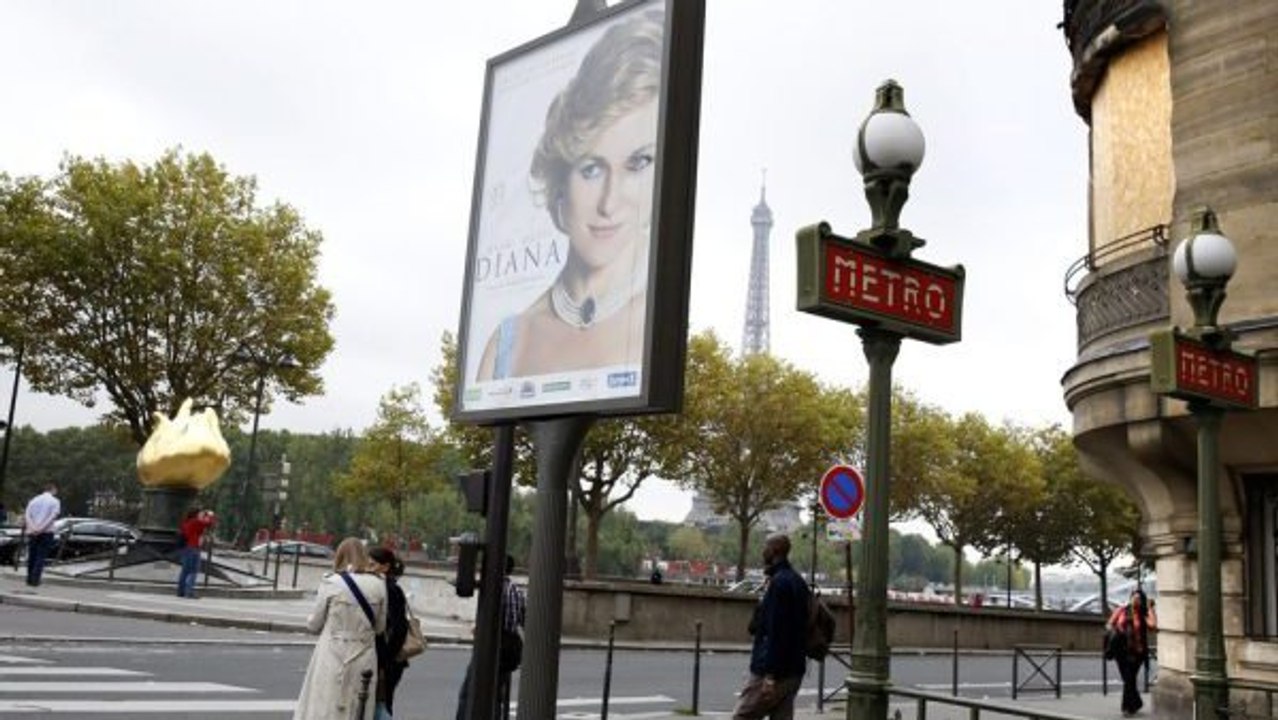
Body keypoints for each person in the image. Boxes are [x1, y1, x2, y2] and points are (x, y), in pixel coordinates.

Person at [475, 9, 663, 382]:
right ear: (560, 183)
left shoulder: (653, 330)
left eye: (638, 163)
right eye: (591, 168)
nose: (610, 203)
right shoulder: (507, 343)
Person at [294, 537, 387, 720]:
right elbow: (380, 628)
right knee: (358, 707)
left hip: (332, 652)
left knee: (324, 705)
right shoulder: (378, 584)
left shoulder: (331, 582)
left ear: (340, 556)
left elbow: (314, 625)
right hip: (363, 654)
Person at [733, 534, 809, 720]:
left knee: (743, 716)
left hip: (775, 672)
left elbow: (776, 632)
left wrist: (769, 675)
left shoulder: (779, 583)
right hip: (794, 669)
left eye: (765, 547)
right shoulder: (798, 581)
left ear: (774, 551)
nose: (762, 551)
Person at [455, 554, 526, 720]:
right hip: (510, 650)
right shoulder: (516, 591)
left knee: (469, 691)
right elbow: (523, 621)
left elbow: (491, 618)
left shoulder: (494, 589)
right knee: (495, 695)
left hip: (492, 647)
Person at [368, 547, 409, 720]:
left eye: (372, 564)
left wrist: (384, 659)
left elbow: (399, 628)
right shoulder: (379, 587)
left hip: (386, 661)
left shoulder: (390, 590)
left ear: (385, 567)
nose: (368, 568)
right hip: (385, 659)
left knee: (381, 705)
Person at [1107, 588, 1158, 717]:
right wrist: (1117, 630)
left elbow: (1152, 625)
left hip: (1137, 653)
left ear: (1142, 601)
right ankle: (1136, 703)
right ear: (1130, 598)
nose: (1136, 600)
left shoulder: (1143, 614)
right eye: (1134, 597)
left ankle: (1127, 707)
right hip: (1121, 652)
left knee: (1129, 679)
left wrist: (1150, 609)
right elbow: (1109, 624)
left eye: (1139, 598)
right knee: (1128, 679)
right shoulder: (1121, 610)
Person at [23, 484, 60, 588]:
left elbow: (27, 515)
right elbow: (52, 517)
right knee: (41, 556)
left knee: (32, 555)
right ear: (53, 490)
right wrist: (41, 528)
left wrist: (33, 527)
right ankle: (35, 580)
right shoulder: (55, 501)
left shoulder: (33, 500)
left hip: (32, 531)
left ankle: (29, 578)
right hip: (46, 532)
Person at [175, 507, 215, 598]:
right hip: (193, 547)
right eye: (200, 513)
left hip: (185, 548)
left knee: (185, 571)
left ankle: (181, 591)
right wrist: (210, 515)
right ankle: (189, 592)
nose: (202, 515)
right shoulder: (195, 522)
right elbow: (209, 524)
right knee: (193, 570)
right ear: (196, 514)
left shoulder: (186, 522)